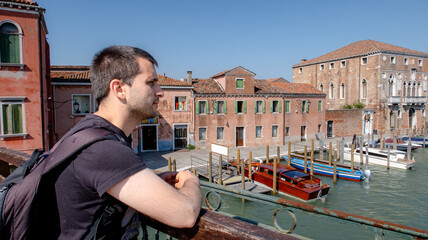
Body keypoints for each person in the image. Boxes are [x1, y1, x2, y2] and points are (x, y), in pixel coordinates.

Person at [51, 46, 202, 239]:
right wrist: (191, 181)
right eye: (151, 83)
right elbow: (186, 213)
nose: (160, 92)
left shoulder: (88, 131)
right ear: (119, 89)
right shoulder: (104, 149)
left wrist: (152, 183)